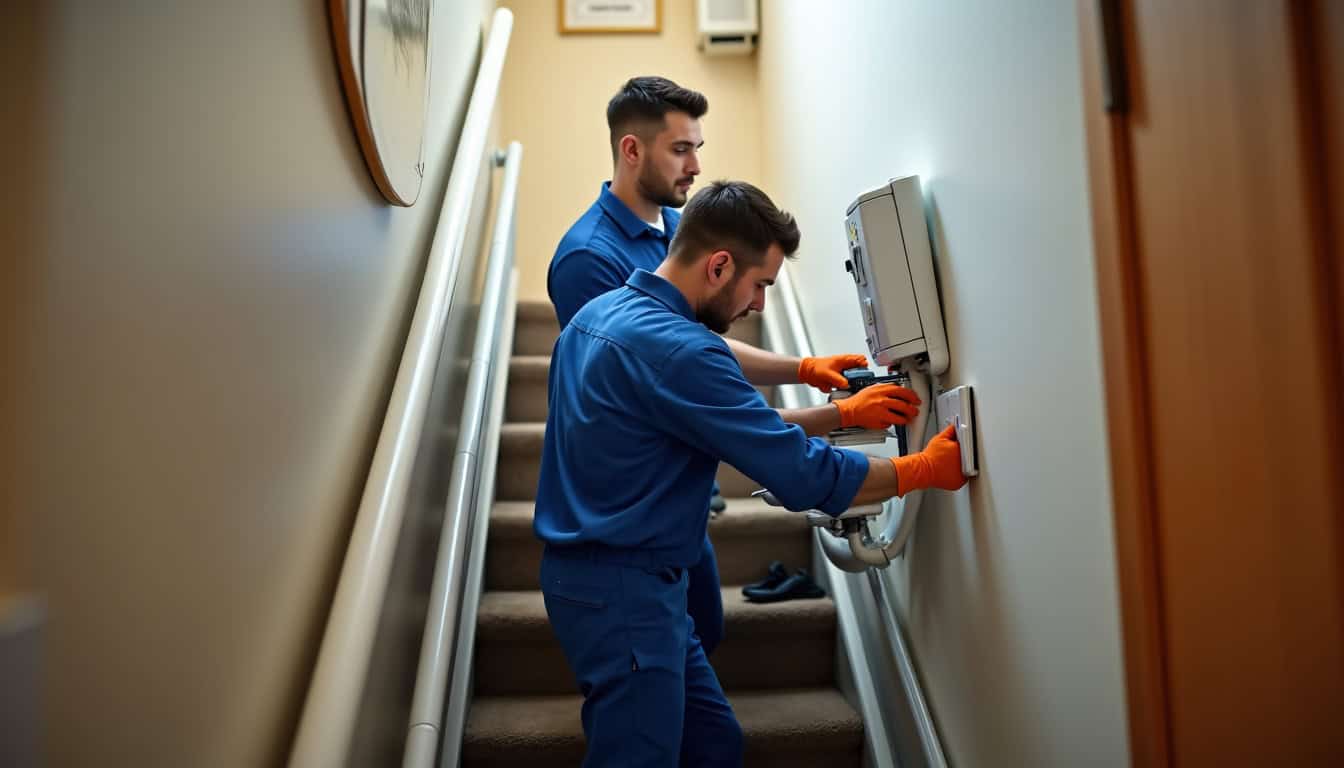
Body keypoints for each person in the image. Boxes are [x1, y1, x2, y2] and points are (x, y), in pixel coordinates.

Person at [535, 180, 968, 767]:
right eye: (760, 284)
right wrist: (922, 468)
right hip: (623, 591)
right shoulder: (683, 351)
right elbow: (804, 475)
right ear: (718, 266)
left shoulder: (596, 317)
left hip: (598, 577)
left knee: (713, 742)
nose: (761, 305)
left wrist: (839, 414)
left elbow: (718, 420)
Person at [547, 75, 919, 657]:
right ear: (632, 149)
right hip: (625, 532)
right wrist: (913, 464)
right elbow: (693, 381)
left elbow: (699, 368)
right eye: (680, 149)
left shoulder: (679, 234)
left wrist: (804, 371)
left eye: (698, 148)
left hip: (663, 517)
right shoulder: (589, 260)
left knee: (705, 652)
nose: (695, 165)